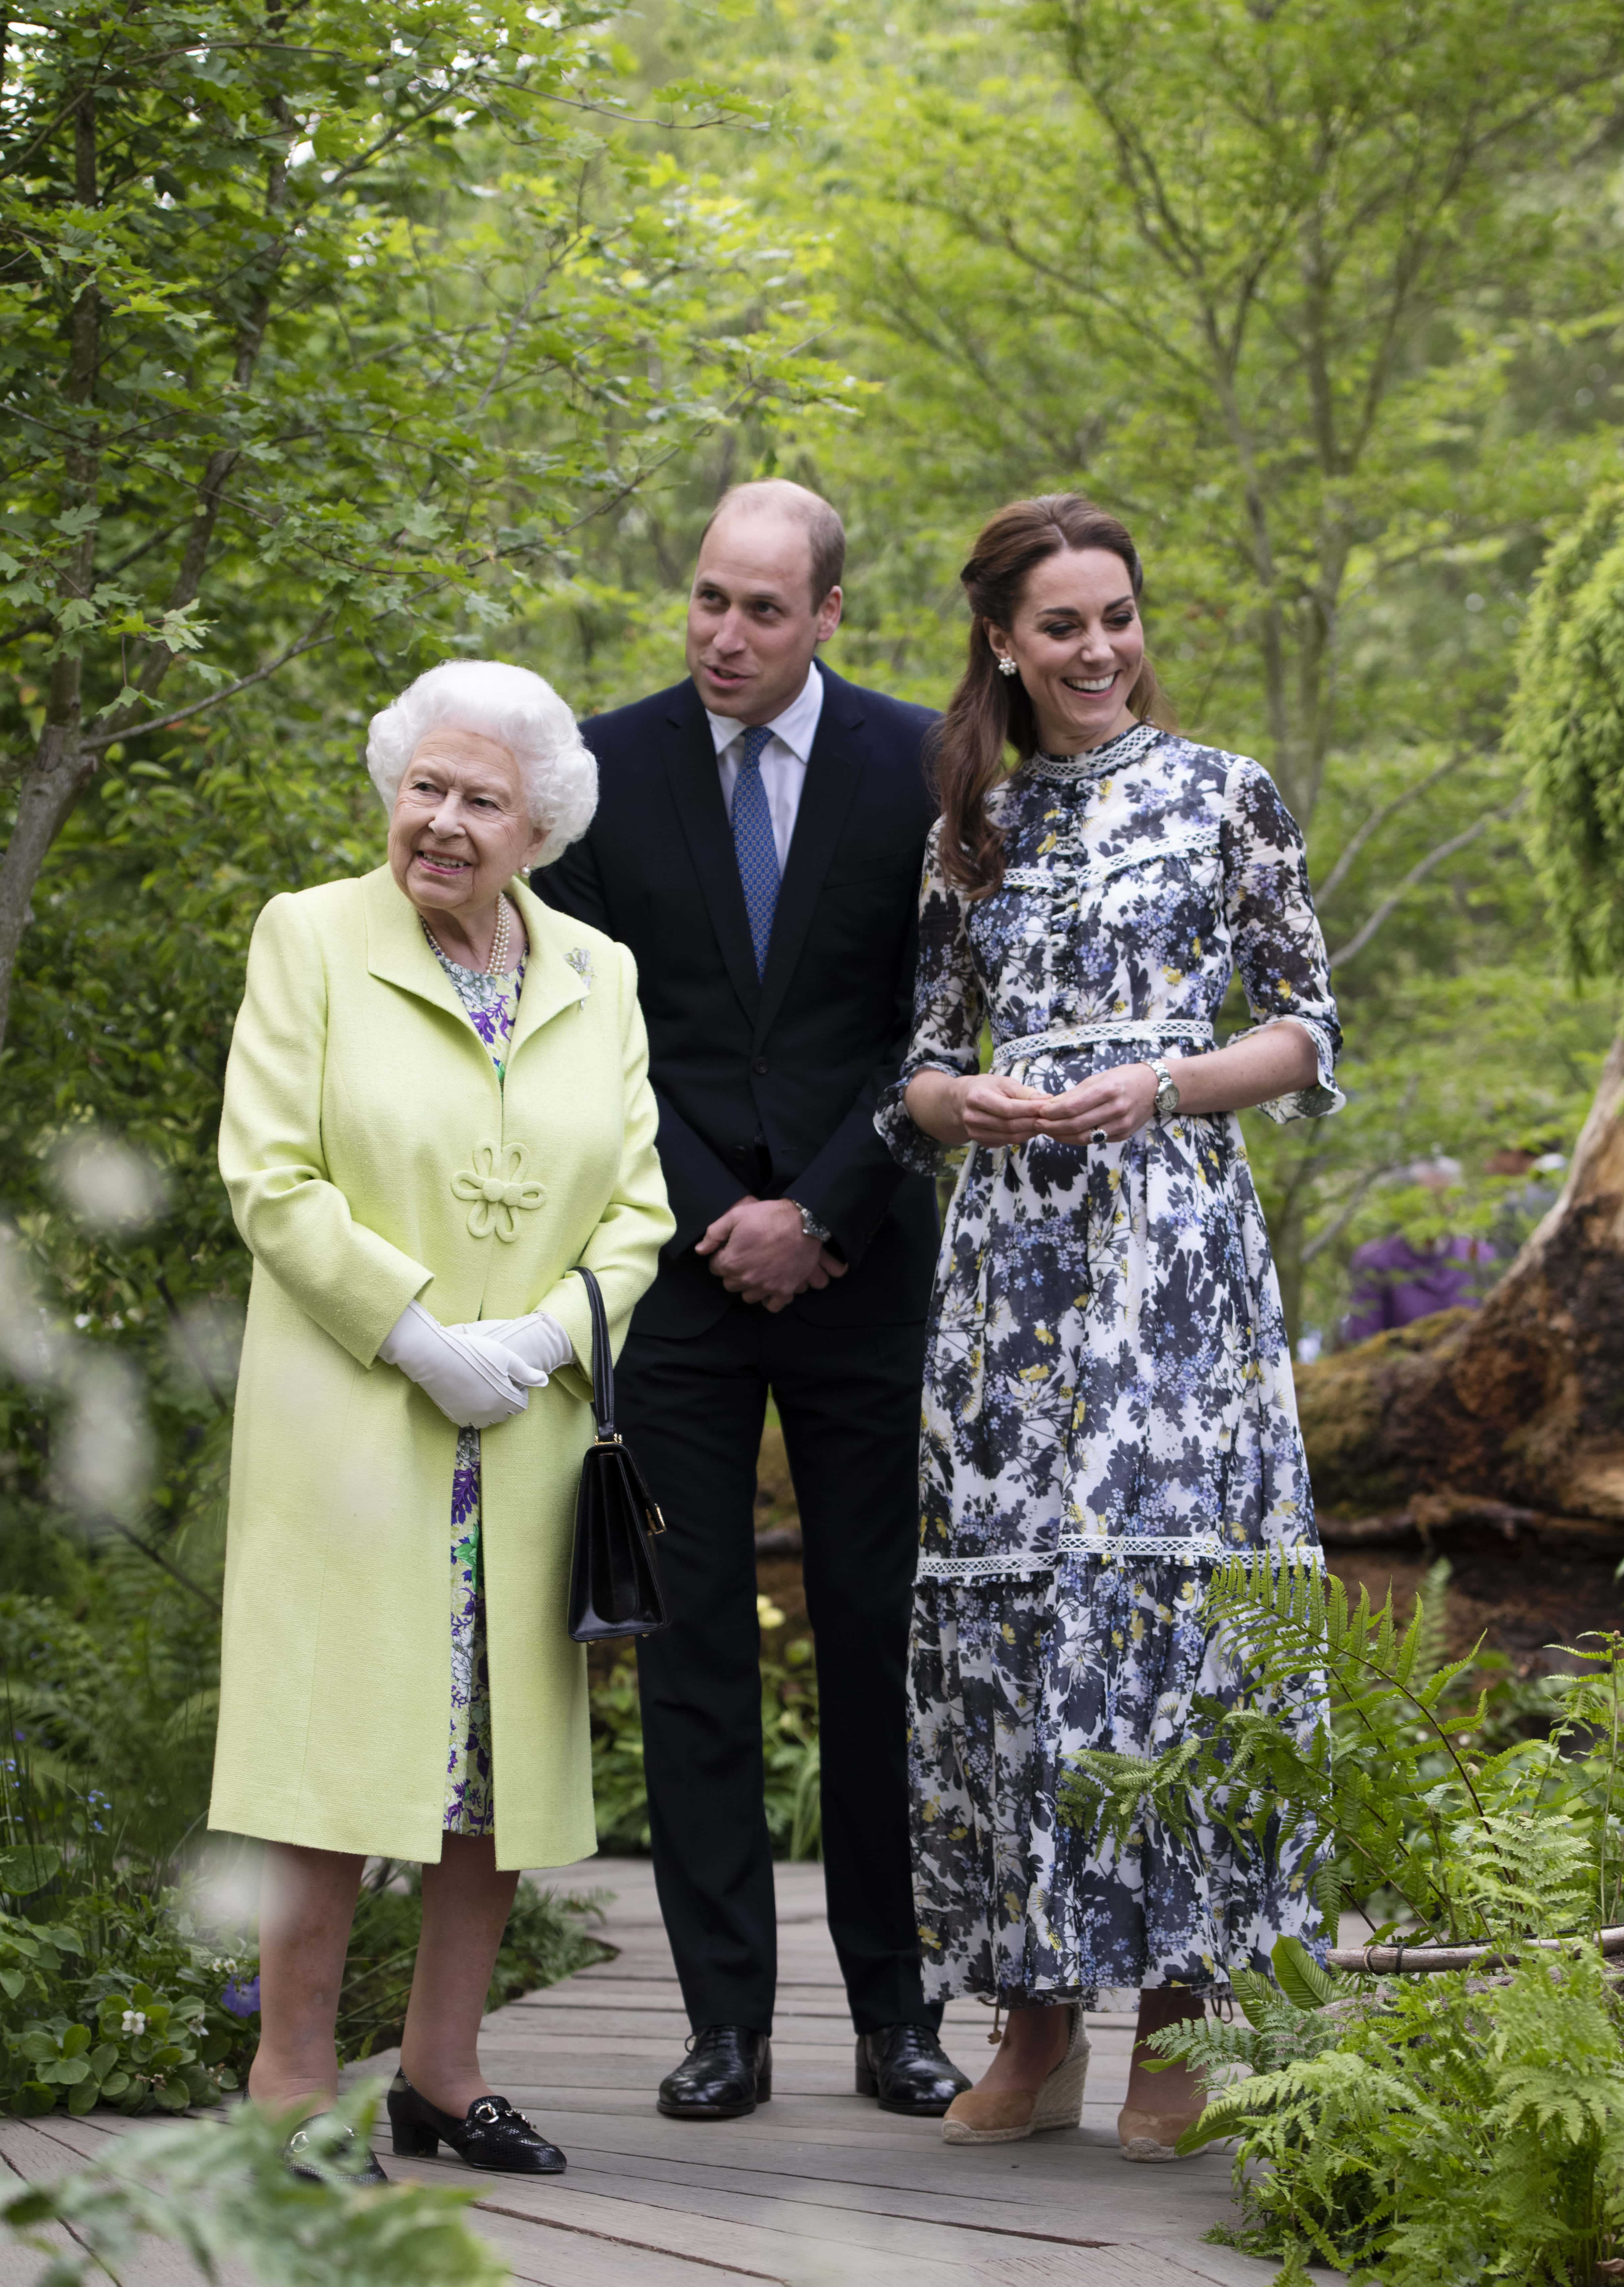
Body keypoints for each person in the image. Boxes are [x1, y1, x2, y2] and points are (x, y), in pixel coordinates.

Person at [875, 495, 1343, 2163]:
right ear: (1004, 639)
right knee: (1019, 1628)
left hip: (1172, 1251)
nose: (1098, 649)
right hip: (1012, 1278)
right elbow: (915, 1066)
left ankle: (1179, 2014)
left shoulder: (1227, 794)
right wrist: (965, 1100)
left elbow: (1303, 1028)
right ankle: (1038, 2017)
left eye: (1119, 616)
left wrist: (1159, 1082)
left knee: (1169, 1607)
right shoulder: (970, 825)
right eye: (1063, 624)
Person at [534, 479, 970, 2122]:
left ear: (832, 615)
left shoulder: (925, 765)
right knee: (692, 1650)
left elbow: (939, 1014)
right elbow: (583, 1032)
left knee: (876, 1642)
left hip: (867, 1267)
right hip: (684, 1279)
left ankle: (897, 2016)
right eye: (709, 599)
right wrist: (730, 1215)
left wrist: (831, 1205)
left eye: (763, 610)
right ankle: (725, 2022)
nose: (723, 635)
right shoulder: (601, 769)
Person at [211, 660, 673, 2180]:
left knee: (491, 1766)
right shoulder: (313, 937)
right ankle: (289, 2078)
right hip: (359, 1420)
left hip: (525, 1435)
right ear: (390, 788)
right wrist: (414, 1332)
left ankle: (441, 2067)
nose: (445, 821)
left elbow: (640, 1203)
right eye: (426, 785)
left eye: (482, 798)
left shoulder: (598, 970)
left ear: (538, 823)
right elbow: (270, 1173)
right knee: (331, 1760)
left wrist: (543, 1337)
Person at [1341, 1157, 1496, 1341]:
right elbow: (1363, 1339)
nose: (1436, 1209)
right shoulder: (1375, 1260)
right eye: (1427, 1199)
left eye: (1443, 1198)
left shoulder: (1479, 1256)